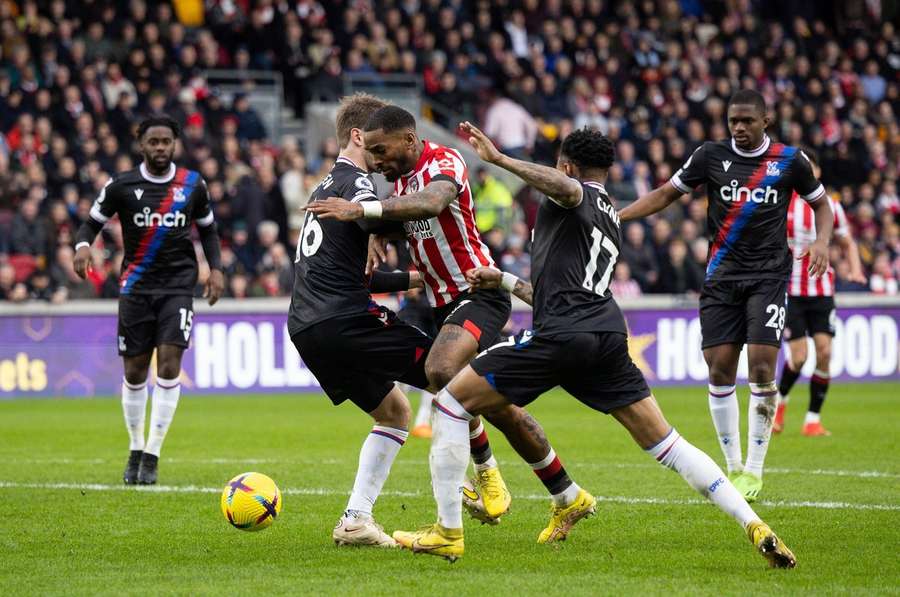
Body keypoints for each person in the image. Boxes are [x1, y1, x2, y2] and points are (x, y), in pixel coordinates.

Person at [389, 123, 796, 569]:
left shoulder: (576, 194)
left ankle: (448, 532)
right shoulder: (612, 216)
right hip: (606, 337)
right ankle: (753, 523)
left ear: (567, 165)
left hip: (562, 335)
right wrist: (503, 280)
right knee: (669, 445)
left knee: (449, 400)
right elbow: (556, 290)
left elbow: (567, 189)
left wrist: (501, 160)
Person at [308, 106, 577, 531]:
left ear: (410, 139)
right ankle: (567, 492)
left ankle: (485, 481)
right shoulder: (398, 181)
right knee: (499, 405)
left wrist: (366, 213)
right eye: (372, 153)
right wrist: (380, 232)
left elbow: (433, 204)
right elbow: (412, 222)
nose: (376, 162)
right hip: (441, 305)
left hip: (478, 292)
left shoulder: (444, 161)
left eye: (382, 150)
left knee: (441, 370)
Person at [618, 89, 834, 502]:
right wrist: (618, 214)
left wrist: (822, 241)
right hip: (720, 278)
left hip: (768, 276)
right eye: (733, 120)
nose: (739, 127)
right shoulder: (710, 156)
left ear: (765, 121)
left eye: (747, 121)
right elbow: (667, 193)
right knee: (719, 369)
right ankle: (733, 466)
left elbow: (821, 205)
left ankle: (754, 470)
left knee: (761, 366)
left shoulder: (791, 161)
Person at [288, 94, 431, 547]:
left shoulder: (323, 186)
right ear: (357, 136)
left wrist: (414, 278)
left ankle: (355, 521)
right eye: (377, 140)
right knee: (457, 375)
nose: (383, 149)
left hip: (308, 326)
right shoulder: (356, 183)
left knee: (395, 411)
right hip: (344, 320)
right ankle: (481, 484)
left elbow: (349, 273)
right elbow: (377, 220)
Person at [73, 116, 225, 485]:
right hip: (136, 289)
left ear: (175, 144)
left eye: (166, 141)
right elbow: (91, 223)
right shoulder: (121, 185)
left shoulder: (192, 185)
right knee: (135, 372)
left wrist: (216, 270)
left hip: (178, 288)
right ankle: (135, 447)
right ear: (141, 144)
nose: (160, 148)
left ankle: (154, 453)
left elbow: (209, 230)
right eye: (153, 142)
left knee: (169, 363)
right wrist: (82, 247)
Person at [775, 151, 867, 436]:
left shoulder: (830, 206)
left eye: (809, 166)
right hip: (790, 290)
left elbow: (847, 241)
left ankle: (812, 420)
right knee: (799, 357)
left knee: (825, 352)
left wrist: (855, 270)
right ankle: (780, 406)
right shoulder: (781, 203)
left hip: (822, 290)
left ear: (817, 171)